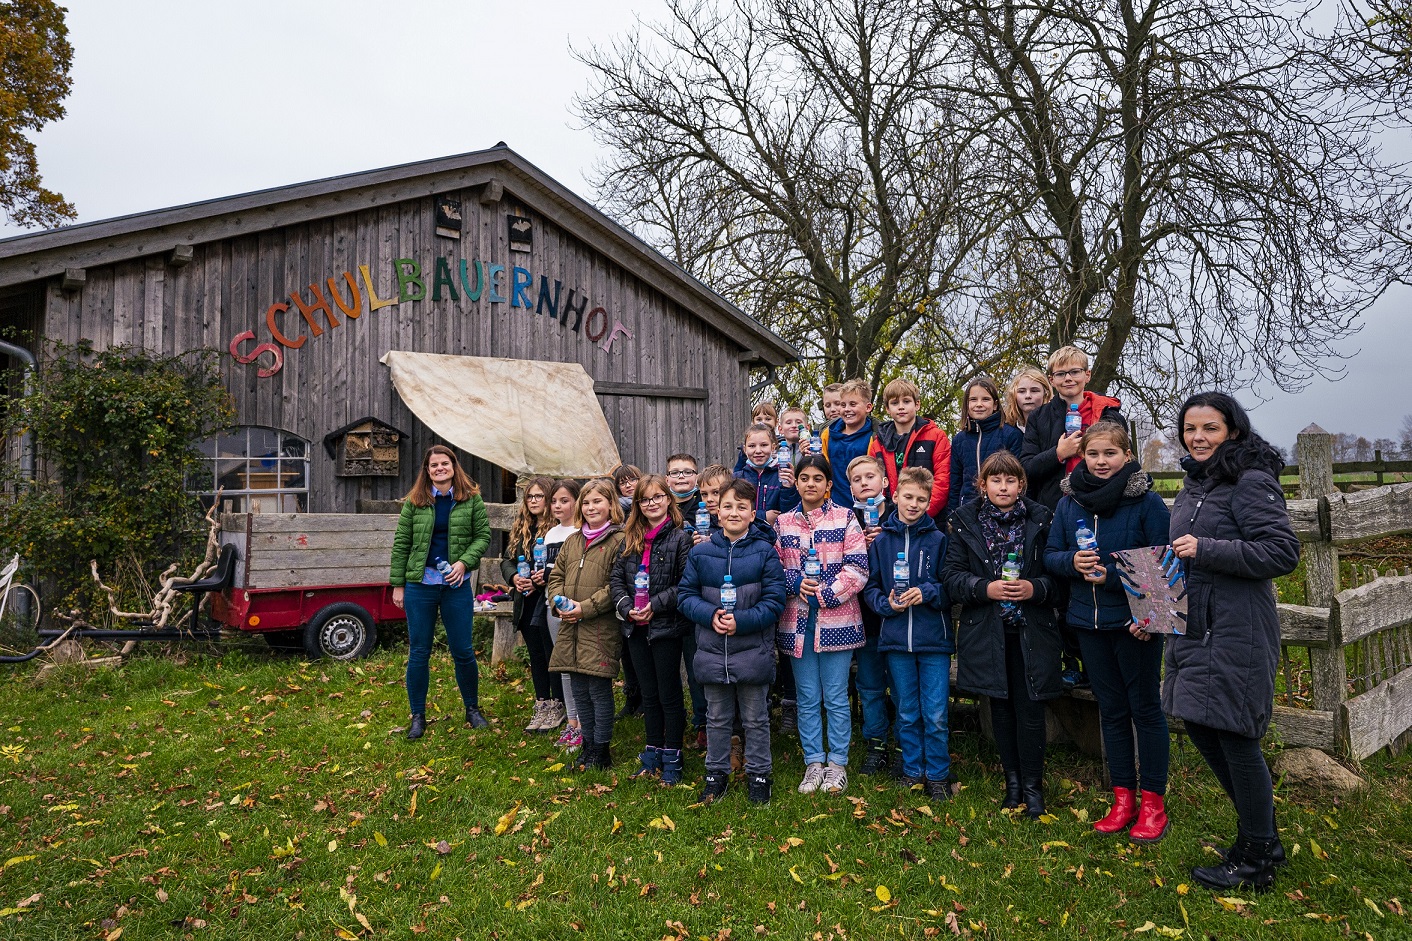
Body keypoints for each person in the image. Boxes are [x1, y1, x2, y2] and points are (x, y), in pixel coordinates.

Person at [1164, 393, 1300, 892]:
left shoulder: (1250, 480)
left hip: (1237, 627)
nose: (1198, 437)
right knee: (1201, 727)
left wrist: (1208, 548)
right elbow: (1181, 557)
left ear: (1233, 432)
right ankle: (1259, 834)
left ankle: (1257, 856)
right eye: (1191, 429)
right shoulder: (1194, 485)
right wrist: (1154, 609)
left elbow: (1282, 551)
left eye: (1210, 429)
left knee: (1238, 738)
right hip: (1195, 624)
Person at [1044, 422, 1172, 841]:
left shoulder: (1147, 504)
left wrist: (1132, 600)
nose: (1101, 462)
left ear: (1127, 457)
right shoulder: (1069, 502)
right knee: (1111, 711)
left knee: (1145, 710)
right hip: (1088, 623)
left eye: (1110, 454)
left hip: (1133, 623)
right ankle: (1122, 799)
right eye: (1094, 454)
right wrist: (1072, 565)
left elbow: (1160, 566)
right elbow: (1052, 554)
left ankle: (1153, 802)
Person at [943, 450, 1061, 818]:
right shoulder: (964, 523)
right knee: (1002, 709)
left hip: (1031, 630)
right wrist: (984, 589)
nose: (1004, 486)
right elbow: (951, 577)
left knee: (1030, 709)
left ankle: (1033, 787)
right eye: (996, 480)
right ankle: (1012, 784)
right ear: (982, 485)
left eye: (1011, 480)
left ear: (1022, 484)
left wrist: (1035, 589)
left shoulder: (1042, 520)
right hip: (988, 631)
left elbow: (1059, 577)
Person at [1020, 347, 1125, 690]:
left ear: (1087, 375)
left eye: (1074, 372)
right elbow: (1026, 469)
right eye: (1061, 374)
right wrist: (1059, 453)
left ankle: (1107, 667)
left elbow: (1123, 458)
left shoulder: (1108, 412)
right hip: (1056, 512)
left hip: (1104, 509)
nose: (1068, 379)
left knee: (1101, 578)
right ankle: (1072, 662)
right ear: (1052, 380)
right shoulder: (1039, 418)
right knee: (1062, 591)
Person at [679, 479, 788, 805]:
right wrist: (710, 615)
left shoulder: (765, 553)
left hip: (753, 652)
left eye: (742, 506)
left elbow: (774, 602)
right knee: (717, 718)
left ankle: (759, 776)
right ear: (718, 510)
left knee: (756, 718)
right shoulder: (701, 553)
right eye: (728, 506)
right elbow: (686, 596)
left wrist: (741, 621)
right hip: (712, 652)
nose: (734, 512)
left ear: (753, 513)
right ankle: (715, 775)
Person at [775, 454, 869, 795]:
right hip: (796, 622)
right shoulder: (783, 524)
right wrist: (794, 582)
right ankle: (813, 761)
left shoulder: (846, 519)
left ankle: (837, 763)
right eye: (805, 478)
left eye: (818, 478)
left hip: (837, 621)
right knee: (807, 696)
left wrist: (827, 594)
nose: (811, 483)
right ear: (796, 482)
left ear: (829, 485)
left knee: (835, 696)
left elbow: (858, 568)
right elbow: (773, 568)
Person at [389, 445, 492, 740]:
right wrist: (398, 584)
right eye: (433, 465)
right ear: (427, 470)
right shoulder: (415, 502)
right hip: (419, 586)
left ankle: (472, 709)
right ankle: (418, 716)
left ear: (453, 466)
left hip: (455, 586)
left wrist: (464, 563)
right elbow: (402, 543)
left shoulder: (471, 499)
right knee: (419, 651)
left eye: (444, 463)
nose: (439, 469)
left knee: (463, 650)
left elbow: (483, 536)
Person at [864, 467, 953, 800]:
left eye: (922, 499)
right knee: (906, 710)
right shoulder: (881, 541)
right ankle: (913, 770)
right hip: (896, 640)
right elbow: (869, 588)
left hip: (934, 641)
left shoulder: (939, 539)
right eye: (909, 497)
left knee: (936, 712)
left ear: (930, 502)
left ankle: (939, 774)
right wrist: (886, 605)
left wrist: (928, 592)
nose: (914, 504)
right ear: (895, 496)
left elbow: (951, 588)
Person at [610, 474, 693, 785]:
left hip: (665, 627)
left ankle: (673, 755)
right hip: (635, 627)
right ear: (637, 505)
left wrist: (655, 605)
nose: (651, 504)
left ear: (668, 499)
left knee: (668, 694)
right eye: (645, 499)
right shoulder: (629, 538)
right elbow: (616, 580)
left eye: (658, 497)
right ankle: (652, 753)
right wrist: (624, 606)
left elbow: (684, 585)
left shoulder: (680, 539)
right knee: (648, 693)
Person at [547, 479, 628, 770]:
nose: (591, 507)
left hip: (599, 625)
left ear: (610, 506)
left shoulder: (619, 540)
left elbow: (615, 585)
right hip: (570, 623)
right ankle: (588, 746)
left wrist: (585, 608)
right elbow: (555, 577)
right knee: (579, 687)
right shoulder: (573, 540)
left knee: (598, 688)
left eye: (598, 502)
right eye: (587, 502)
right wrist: (558, 601)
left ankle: (602, 751)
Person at [501, 476, 566, 734]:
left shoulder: (556, 529)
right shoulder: (522, 527)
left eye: (539, 496)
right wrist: (514, 577)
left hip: (546, 599)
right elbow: (507, 560)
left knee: (552, 653)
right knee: (536, 654)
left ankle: (558, 703)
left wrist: (539, 582)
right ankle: (542, 702)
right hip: (524, 601)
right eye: (530, 497)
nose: (534, 501)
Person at [847, 454, 895, 776]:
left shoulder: (900, 514)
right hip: (865, 620)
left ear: (885, 483)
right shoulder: (848, 520)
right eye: (857, 480)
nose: (865, 483)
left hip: (899, 619)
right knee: (870, 685)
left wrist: (886, 541)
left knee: (904, 686)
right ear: (851, 489)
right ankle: (876, 743)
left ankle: (906, 744)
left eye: (870, 477)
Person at [867, 378, 951, 520]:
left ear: (917, 404)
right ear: (887, 408)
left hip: (927, 518)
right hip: (890, 519)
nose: (901, 407)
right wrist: (889, 517)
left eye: (906, 401)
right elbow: (873, 482)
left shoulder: (936, 436)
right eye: (894, 403)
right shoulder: (877, 443)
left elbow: (943, 480)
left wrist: (921, 512)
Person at [544, 479, 584, 751]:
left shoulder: (583, 531)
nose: (558, 506)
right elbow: (552, 575)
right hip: (554, 608)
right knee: (565, 665)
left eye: (564, 500)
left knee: (583, 665)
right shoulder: (550, 535)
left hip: (580, 607)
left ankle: (585, 722)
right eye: (554, 501)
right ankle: (571, 722)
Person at [947, 377, 1025, 514]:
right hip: (968, 511)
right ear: (966, 404)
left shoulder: (1011, 435)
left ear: (995, 405)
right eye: (973, 400)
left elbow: (1020, 478)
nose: (979, 404)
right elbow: (955, 483)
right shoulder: (959, 440)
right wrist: (952, 516)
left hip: (1002, 510)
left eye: (985, 399)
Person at [820, 379, 876, 509]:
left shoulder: (875, 436)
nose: (847, 409)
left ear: (868, 407)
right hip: (833, 506)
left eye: (852, 404)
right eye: (843, 405)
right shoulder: (827, 434)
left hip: (865, 507)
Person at [736, 423, 800, 523]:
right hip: (746, 536)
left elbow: (789, 514)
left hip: (774, 536)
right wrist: (763, 516)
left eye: (764, 445)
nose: (758, 451)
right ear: (745, 450)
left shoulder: (782, 475)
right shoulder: (737, 478)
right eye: (752, 446)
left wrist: (789, 489)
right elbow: (733, 513)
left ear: (773, 447)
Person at [1003, 367, 1052, 434]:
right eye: (1022, 391)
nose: (1028, 396)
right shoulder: (1006, 431)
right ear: (1014, 395)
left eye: (1034, 391)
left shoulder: (1057, 425)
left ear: (1045, 394)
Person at [667, 453, 702, 522]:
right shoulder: (661, 505)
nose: (681, 476)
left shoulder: (706, 502)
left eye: (688, 472)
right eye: (674, 473)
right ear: (667, 480)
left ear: (697, 479)